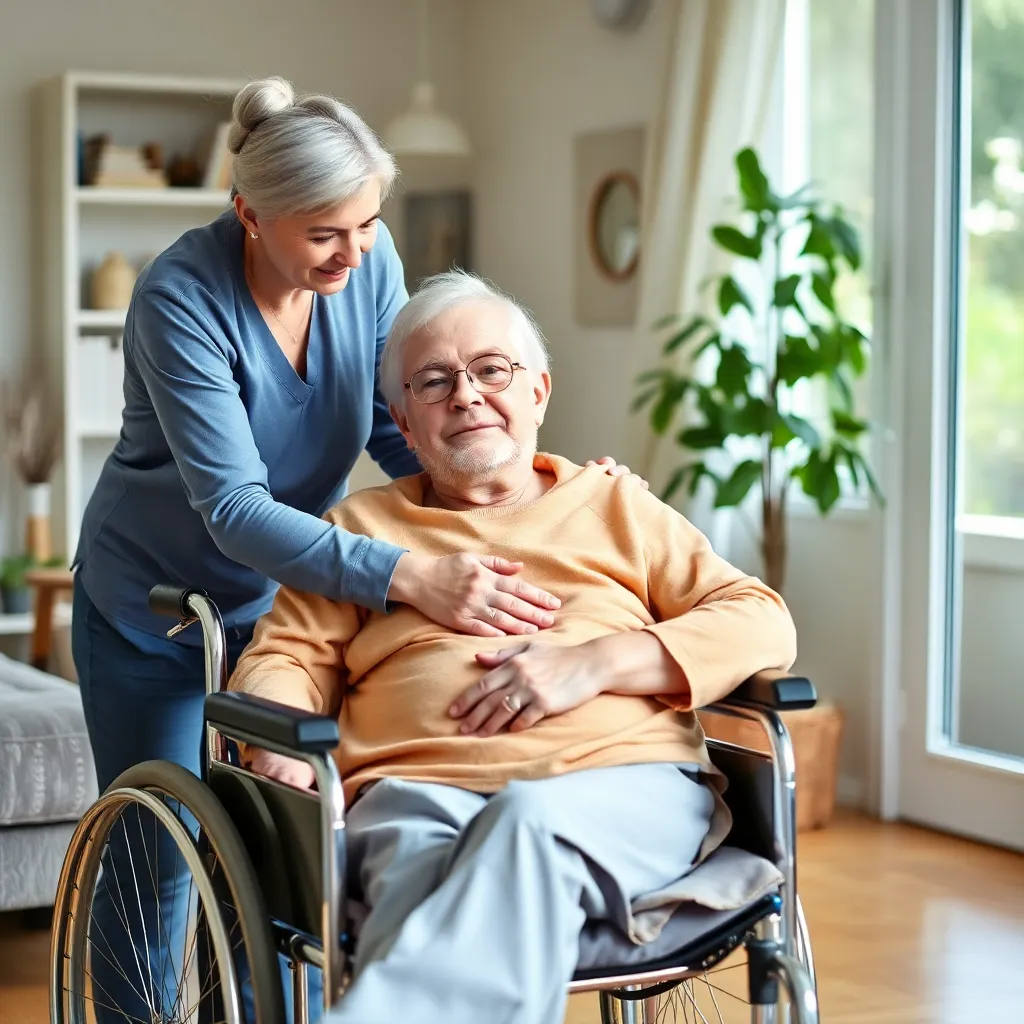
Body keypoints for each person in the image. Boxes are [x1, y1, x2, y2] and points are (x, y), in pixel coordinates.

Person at [70, 78, 636, 1024]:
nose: (356, 250)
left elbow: (401, 426)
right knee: (159, 862)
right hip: (156, 609)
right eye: (325, 233)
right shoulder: (180, 298)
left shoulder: (367, 268)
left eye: (368, 223)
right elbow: (234, 509)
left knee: (276, 857)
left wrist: (540, 490)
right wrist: (412, 573)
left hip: (286, 605)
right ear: (251, 215)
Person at [229, 270, 798, 1024]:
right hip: (414, 795)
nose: (466, 396)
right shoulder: (361, 529)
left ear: (538, 392)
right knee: (426, 884)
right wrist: (275, 743)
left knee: (526, 823)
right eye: (434, 382)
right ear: (403, 423)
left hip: (621, 787)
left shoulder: (615, 505)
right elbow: (285, 658)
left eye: (491, 370)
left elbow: (760, 619)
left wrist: (595, 664)